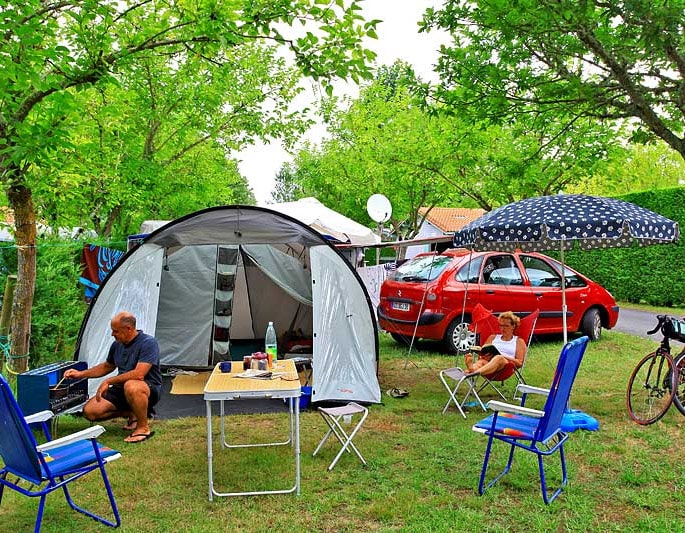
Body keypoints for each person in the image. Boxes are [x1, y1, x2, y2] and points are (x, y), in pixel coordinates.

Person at [64, 311, 162, 443]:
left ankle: (142, 427)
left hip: (147, 387)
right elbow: (107, 367)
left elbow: (139, 374)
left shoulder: (148, 343)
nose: (112, 334)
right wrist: (80, 374)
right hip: (122, 389)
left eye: (115, 331)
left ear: (128, 329)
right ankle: (132, 413)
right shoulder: (117, 345)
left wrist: (108, 381)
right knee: (90, 411)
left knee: (131, 385)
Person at [466, 311, 527, 377]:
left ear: (513, 326)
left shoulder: (518, 341)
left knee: (499, 358)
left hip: (505, 367)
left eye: (506, 326)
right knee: (481, 361)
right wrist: (483, 355)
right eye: (501, 325)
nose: (503, 328)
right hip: (488, 364)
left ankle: (474, 372)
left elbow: (519, 363)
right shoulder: (492, 337)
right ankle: (472, 369)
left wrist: (502, 356)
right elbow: (482, 353)